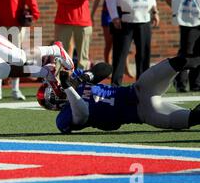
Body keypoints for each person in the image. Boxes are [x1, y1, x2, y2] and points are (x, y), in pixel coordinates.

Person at [51, 56, 200, 134]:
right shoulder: (64, 117)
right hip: (144, 113)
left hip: (139, 89)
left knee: (179, 62)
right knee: (192, 118)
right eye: (54, 91)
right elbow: (82, 113)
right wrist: (68, 88)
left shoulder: (78, 83)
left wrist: (85, 77)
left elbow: (106, 68)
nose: (57, 88)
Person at [162, 0, 200, 92]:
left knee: (198, 53)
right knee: (186, 53)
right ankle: (180, 83)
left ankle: (196, 84)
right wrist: (177, 9)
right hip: (188, 21)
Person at [91, 0, 135, 78]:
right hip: (107, 14)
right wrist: (92, 14)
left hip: (120, 13)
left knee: (123, 42)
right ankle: (108, 68)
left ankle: (126, 68)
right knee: (109, 42)